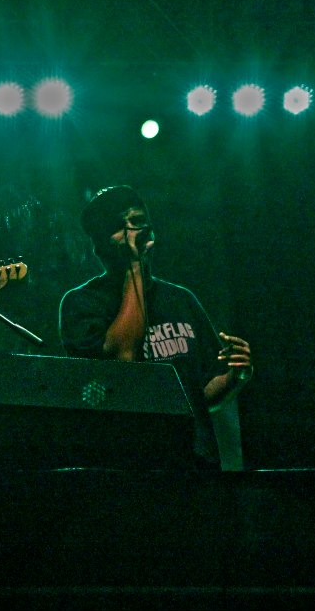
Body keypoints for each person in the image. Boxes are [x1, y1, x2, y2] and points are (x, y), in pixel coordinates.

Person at [58, 185, 253, 469]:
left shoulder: (181, 300)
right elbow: (123, 357)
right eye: (119, 226)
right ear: (99, 246)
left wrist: (235, 377)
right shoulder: (82, 303)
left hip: (193, 460)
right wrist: (134, 266)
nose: (132, 232)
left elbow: (200, 394)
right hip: (126, 463)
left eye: (137, 221)